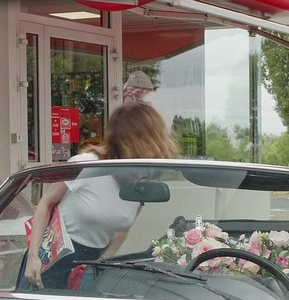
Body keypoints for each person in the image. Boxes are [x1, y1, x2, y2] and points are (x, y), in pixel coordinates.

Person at [24, 101, 179, 289]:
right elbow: (45, 204)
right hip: (51, 257)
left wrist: (101, 266)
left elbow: (122, 230)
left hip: (93, 263)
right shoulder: (87, 164)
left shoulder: (140, 178)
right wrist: (33, 257)